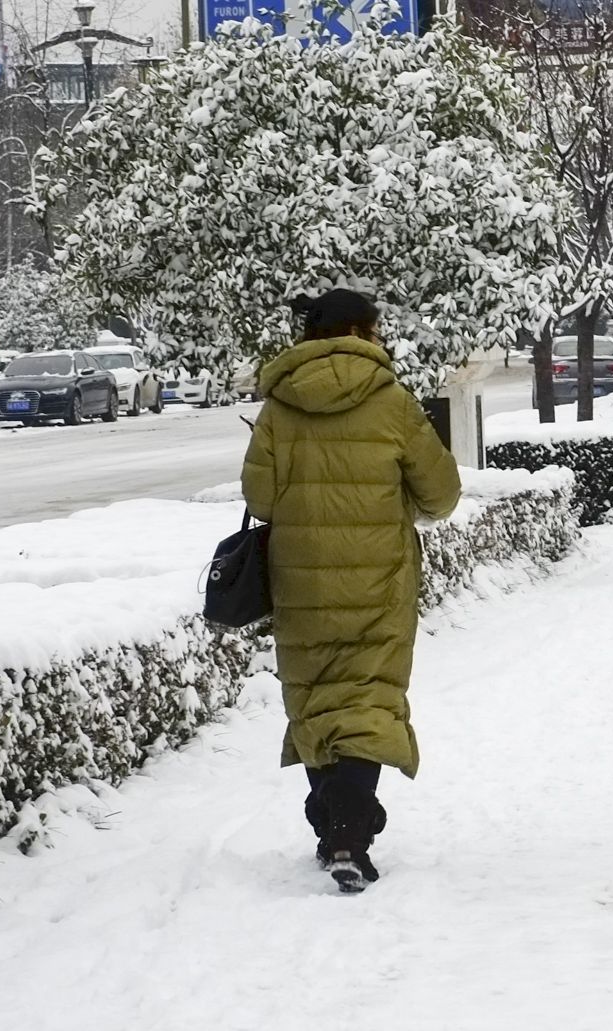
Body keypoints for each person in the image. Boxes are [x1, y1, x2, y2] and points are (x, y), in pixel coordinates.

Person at [242, 288, 462, 893]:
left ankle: (330, 824)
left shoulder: (279, 408)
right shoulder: (391, 403)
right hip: (379, 574)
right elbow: (442, 494)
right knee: (367, 701)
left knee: (314, 697)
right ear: (365, 332)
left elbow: (259, 498)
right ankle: (348, 834)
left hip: (300, 575)